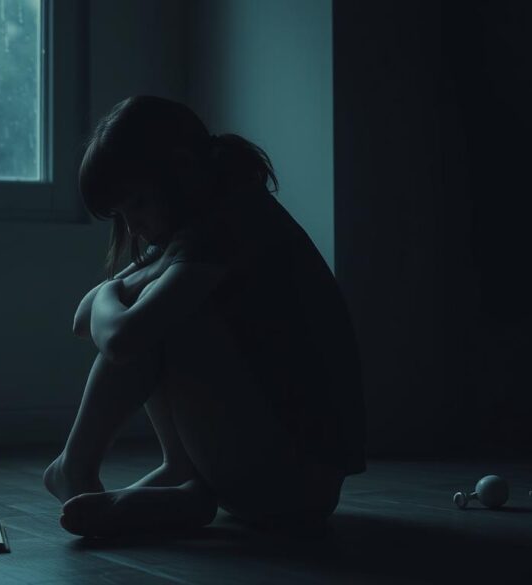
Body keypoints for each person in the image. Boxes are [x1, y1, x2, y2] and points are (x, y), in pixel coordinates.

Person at [43, 95, 366, 538]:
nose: (133, 227)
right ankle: (182, 485)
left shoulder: (226, 227)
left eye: (138, 203)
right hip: (293, 484)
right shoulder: (208, 220)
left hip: (289, 479)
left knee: (162, 316)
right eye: (122, 215)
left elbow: (118, 338)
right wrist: (129, 284)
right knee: (156, 309)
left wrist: (121, 288)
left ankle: (76, 466)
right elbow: (84, 318)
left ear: (182, 167)